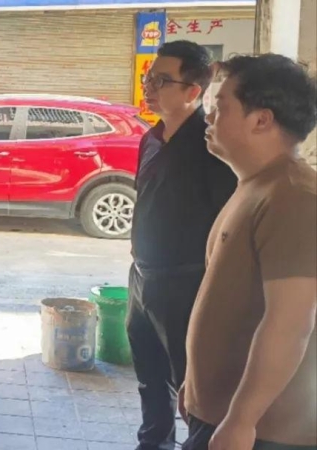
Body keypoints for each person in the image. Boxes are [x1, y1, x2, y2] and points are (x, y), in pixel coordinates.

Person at [181, 53, 317, 450]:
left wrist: (242, 419)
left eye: (221, 107)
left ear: (261, 120)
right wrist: (196, 385)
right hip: (221, 415)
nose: (209, 117)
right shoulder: (256, 185)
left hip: (265, 434)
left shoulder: (295, 198)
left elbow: (290, 324)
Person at [128, 40, 237, 450]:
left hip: (186, 284)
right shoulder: (151, 139)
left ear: (193, 90)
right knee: (149, 377)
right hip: (142, 276)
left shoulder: (212, 148)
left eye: (161, 81)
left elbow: (226, 225)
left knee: (193, 388)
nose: (149, 87)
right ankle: (153, 443)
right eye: (148, 78)